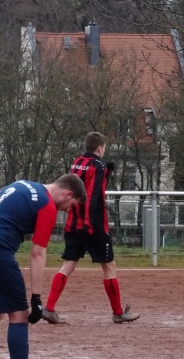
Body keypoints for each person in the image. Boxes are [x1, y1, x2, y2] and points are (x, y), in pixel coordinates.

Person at [0, 174, 86, 359]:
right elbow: (37, 253)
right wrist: (36, 298)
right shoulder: (47, 205)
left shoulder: (23, 184)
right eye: (71, 205)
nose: (67, 211)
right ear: (67, 194)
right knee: (20, 314)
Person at [41, 132, 140, 325]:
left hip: (73, 222)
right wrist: (89, 223)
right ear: (100, 148)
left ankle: (49, 308)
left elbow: (82, 184)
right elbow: (93, 195)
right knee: (109, 266)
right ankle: (118, 313)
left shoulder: (77, 161)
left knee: (68, 265)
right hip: (93, 224)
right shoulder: (98, 165)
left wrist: (106, 173)